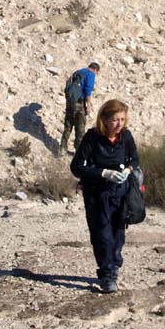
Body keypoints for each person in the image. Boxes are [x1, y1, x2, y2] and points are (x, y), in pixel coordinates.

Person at [70, 99, 139, 294]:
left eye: (122, 120)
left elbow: (134, 159)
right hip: (96, 194)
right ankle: (107, 274)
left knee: (118, 233)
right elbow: (76, 167)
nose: (119, 124)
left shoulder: (126, 136)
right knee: (102, 234)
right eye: (115, 120)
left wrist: (128, 170)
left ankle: (113, 265)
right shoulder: (92, 137)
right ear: (105, 119)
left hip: (120, 192)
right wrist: (103, 173)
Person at [58, 62, 99, 157]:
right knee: (80, 128)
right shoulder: (91, 74)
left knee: (68, 126)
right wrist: (88, 105)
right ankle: (78, 152)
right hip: (79, 103)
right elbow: (88, 90)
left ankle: (62, 149)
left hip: (70, 102)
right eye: (97, 73)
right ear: (95, 70)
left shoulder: (79, 72)